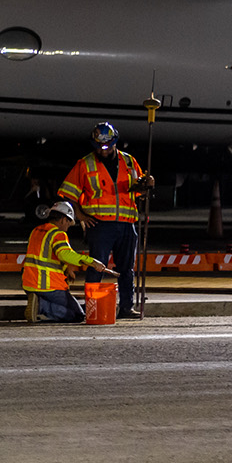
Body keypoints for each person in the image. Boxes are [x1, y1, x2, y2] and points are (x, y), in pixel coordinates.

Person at [58, 122, 153, 318]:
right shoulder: (84, 164)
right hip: (100, 225)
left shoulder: (129, 161)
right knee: (96, 267)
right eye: (99, 147)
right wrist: (80, 215)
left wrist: (148, 184)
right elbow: (68, 193)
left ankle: (126, 308)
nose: (103, 150)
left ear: (114, 142)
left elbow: (139, 190)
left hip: (127, 223)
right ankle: (92, 309)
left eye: (107, 146)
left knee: (126, 268)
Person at [22, 200, 116, 322]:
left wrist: (66, 269)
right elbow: (65, 254)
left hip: (29, 284)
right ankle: (41, 306)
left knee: (69, 309)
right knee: (78, 315)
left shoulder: (36, 231)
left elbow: (45, 255)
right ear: (63, 220)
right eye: (68, 223)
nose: (67, 228)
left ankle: (40, 305)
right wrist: (92, 262)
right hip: (48, 286)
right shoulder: (57, 234)